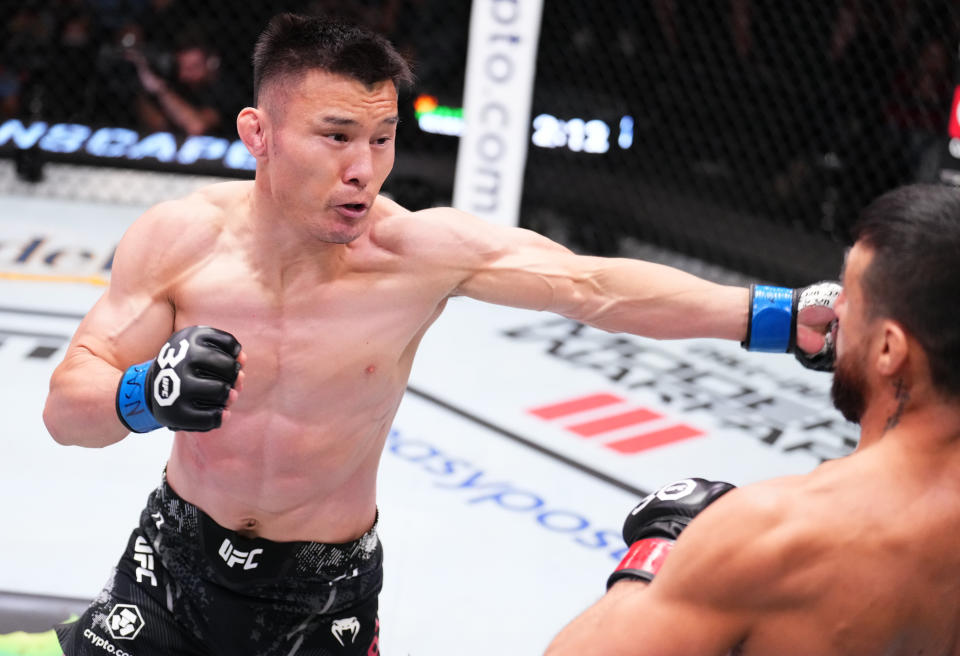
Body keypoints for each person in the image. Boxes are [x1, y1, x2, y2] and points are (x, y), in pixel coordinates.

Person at [43, 13, 836, 656]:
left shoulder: (416, 255)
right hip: (170, 567)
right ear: (258, 133)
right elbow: (65, 412)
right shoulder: (177, 241)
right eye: (336, 135)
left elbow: (596, 286)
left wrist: (777, 316)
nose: (364, 167)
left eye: (381, 138)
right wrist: (143, 393)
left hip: (323, 596)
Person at [545, 182, 960, 656]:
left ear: (889, 349)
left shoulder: (775, 534)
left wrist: (657, 551)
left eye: (852, 300)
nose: (834, 309)